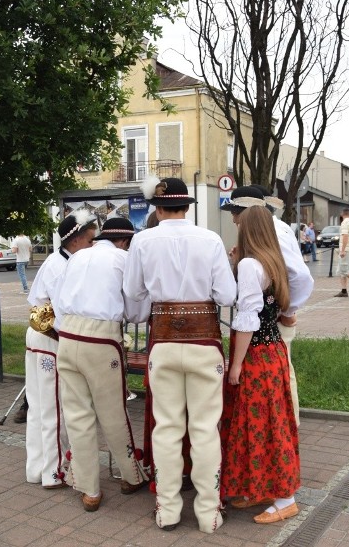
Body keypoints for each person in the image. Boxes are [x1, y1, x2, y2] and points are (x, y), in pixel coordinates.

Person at [123, 176, 236, 534]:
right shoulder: (210, 239)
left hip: (164, 341)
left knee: (167, 428)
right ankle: (208, 513)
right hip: (205, 342)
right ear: (187, 206)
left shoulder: (142, 241)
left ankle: (167, 510)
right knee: (205, 429)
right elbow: (227, 296)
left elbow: (132, 294)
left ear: (157, 208)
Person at [55, 217, 150, 512]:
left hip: (68, 337)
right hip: (101, 339)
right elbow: (137, 311)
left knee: (77, 416)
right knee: (112, 413)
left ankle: (89, 489)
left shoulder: (79, 255)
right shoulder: (122, 259)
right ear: (124, 241)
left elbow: (59, 301)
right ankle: (131, 476)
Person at [221, 205, 300, 524]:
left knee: (263, 423)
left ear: (246, 230)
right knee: (271, 420)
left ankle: (285, 498)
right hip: (275, 351)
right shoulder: (274, 262)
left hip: (256, 355)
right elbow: (287, 313)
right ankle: (266, 489)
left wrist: (236, 364)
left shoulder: (252, 265)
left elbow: (246, 319)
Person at [222, 185, 313, 426]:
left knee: (275, 387)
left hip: (266, 328)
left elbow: (301, 277)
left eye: (235, 213)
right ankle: (281, 434)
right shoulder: (270, 233)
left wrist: (288, 311)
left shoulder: (271, 233)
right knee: (277, 384)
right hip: (268, 327)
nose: (233, 220)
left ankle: (286, 427)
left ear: (249, 212)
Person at [24, 210, 97, 489]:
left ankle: (37, 468)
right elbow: (63, 312)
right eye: (90, 241)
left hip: (39, 337)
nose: (93, 246)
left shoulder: (57, 261)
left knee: (39, 408)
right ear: (76, 241)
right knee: (53, 409)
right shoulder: (62, 266)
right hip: (50, 339)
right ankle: (54, 472)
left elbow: (36, 301)